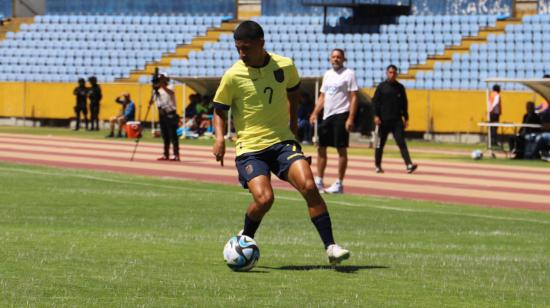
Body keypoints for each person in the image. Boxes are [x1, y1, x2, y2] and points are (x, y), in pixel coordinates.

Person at [212, 20, 350, 265]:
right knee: (265, 199)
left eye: (247, 48)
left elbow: (293, 94)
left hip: (282, 141)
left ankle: (331, 247)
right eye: (238, 48)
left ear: (262, 44)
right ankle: (245, 237)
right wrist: (219, 139)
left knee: (309, 185)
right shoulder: (233, 75)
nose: (242, 54)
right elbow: (219, 110)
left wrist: (294, 128)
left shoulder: (285, 65)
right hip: (250, 148)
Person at [309, 48, 358, 194]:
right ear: (330, 59)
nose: (336, 59)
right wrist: (314, 113)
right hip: (327, 116)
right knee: (321, 148)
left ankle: (339, 183)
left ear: (343, 59)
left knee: (341, 149)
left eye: (338, 57)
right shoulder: (328, 74)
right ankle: (319, 180)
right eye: (333, 57)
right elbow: (322, 97)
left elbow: (354, 97)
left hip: (341, 114)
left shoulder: (349, 74)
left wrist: (350, 117)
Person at [372, 64, 417, 174]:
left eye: (394, 73)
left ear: (397, 74)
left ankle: (409, 165)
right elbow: (375, 103)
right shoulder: (381, 87)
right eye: (390, 72)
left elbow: (404, 104)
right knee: (380, 145)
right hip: (383, 121)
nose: (392, 74)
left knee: (401, 142)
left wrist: (406, 118)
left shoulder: (400, 87)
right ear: (387, 73)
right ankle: (378, 165)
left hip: (396, 121)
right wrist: (375, 116)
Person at [149, 73, 180, 161]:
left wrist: (162, 86)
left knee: (173, 135)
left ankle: (176, 154)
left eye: (162, 79)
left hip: (171, 113)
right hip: (162, 114)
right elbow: (151, 102)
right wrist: (154, 90)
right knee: (165, 135)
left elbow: (171, 93)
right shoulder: (157, 90)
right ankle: (165, 154)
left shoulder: (170, 86)